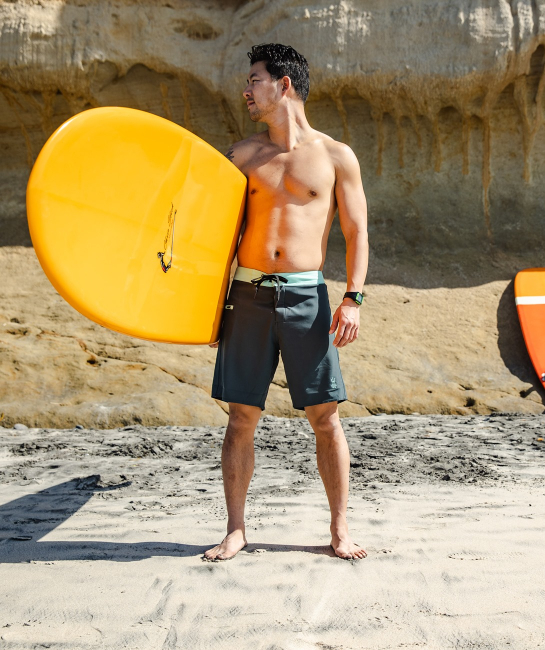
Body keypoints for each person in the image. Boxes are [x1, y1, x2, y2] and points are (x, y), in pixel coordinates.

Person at [203, 43, 369, 561]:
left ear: (284, 84)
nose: (246, 90)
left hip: (306, 297)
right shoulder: (242, 155)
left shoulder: (336, 156)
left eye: (254, 79)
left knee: (326, 418)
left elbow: (357, 231)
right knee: (240, 418)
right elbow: (211, 236)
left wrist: (352, 299)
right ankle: (236, 529)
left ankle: (340, 529)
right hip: (248, 296)